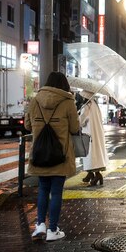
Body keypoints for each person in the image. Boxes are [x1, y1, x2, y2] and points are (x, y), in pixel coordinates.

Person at [25, 71, 80, 242]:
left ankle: (40, 224)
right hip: (60, 154)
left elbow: (27, 125)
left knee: (43, 189)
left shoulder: (35, 100)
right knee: (56, 192)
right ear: (64, 85)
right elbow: (74, 128)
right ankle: (53, 230)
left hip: (40, 153)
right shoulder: (68, 101)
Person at [79, 91, 109, 186]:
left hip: (89, 134)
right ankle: (91, 174)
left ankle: (97, 175)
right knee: (95, 153)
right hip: (97, 134)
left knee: (90, 154)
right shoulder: (95, 105)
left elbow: (81, 121)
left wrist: (78, 118)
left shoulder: (86, 106)